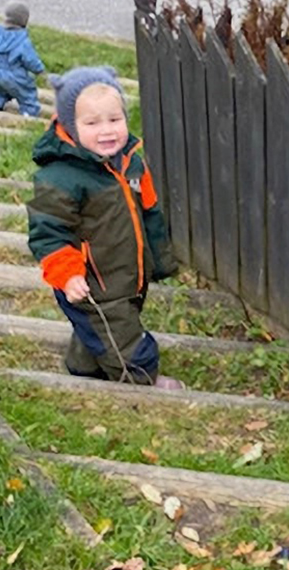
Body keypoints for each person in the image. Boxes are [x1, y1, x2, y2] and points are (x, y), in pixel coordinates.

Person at [27, 66, 182, 388]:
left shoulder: (131, 162)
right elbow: (49, 234)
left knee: (101, 328)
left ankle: (83, 367)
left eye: (115, 119)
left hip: (126, 273)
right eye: (92, 123)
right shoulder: (60, 178)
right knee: (123, 336)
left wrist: (159, 260)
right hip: (90, 279)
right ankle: (142, 379)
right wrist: (68, 275)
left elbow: (149, 210)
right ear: (70, 126)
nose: (107, 130)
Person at [0, 2, 45, 117]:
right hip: (16, 77)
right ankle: (29, 113)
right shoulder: (22, 41)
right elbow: (30, 60)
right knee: (27, 94)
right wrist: (39, 70)